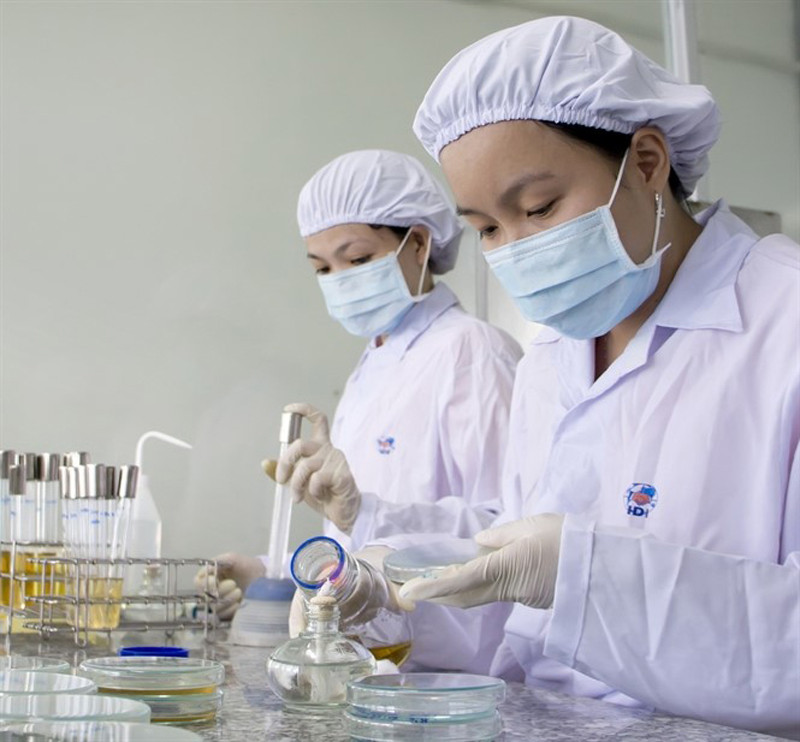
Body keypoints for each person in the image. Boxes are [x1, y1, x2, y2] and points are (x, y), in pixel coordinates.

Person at [280, 17, 800, 738]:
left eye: (538, 208)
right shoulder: (552, 356)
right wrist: (393, 585)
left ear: (647, 161)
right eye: (489, 228)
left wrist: (585, 576)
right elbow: (510, 576)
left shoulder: (784, 319)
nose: (516, 249)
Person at [199, 150, 522, 632]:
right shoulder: (373, 365)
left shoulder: (471, 352)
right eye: (323, 269)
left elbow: (504, 529)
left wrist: (364, 513)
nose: (341, 281)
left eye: (357, 259)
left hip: (457, 657)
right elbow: (356, 544)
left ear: (418, 243)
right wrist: (272, 574)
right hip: (378, 652)